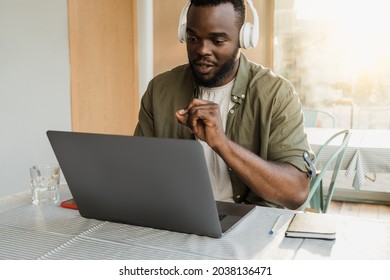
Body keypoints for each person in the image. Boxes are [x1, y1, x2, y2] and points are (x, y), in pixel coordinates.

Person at [134, 0, 314, 210]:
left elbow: (296, 192)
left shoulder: (276, 94)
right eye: (193, 38)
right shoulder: (160, 89)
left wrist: (222, 143)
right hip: (177, 216)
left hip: (250, 223)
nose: (202, 50)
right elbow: (138, 170)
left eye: (217, 41)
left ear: (244, 38)